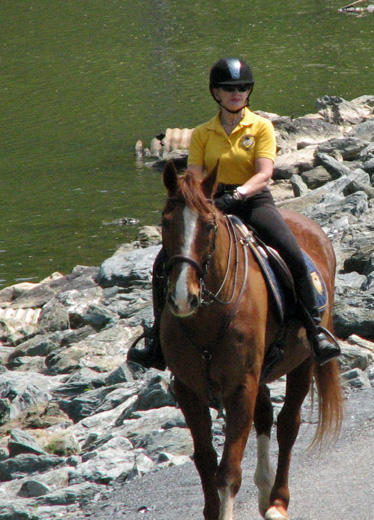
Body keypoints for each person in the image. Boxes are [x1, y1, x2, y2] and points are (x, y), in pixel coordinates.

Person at [128, 57, 340, 369]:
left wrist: (237, 195)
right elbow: (195, 175)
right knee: (164, 263)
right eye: (229, 88)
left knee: (293, 253)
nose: (236, 93)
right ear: (216, 93)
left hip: (254, 200)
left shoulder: (261, 127)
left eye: (242, 87)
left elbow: (264, 173)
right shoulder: (202, 133)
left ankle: (315, 330)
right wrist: (205, 199)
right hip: (211, 202)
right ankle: (157, 341)